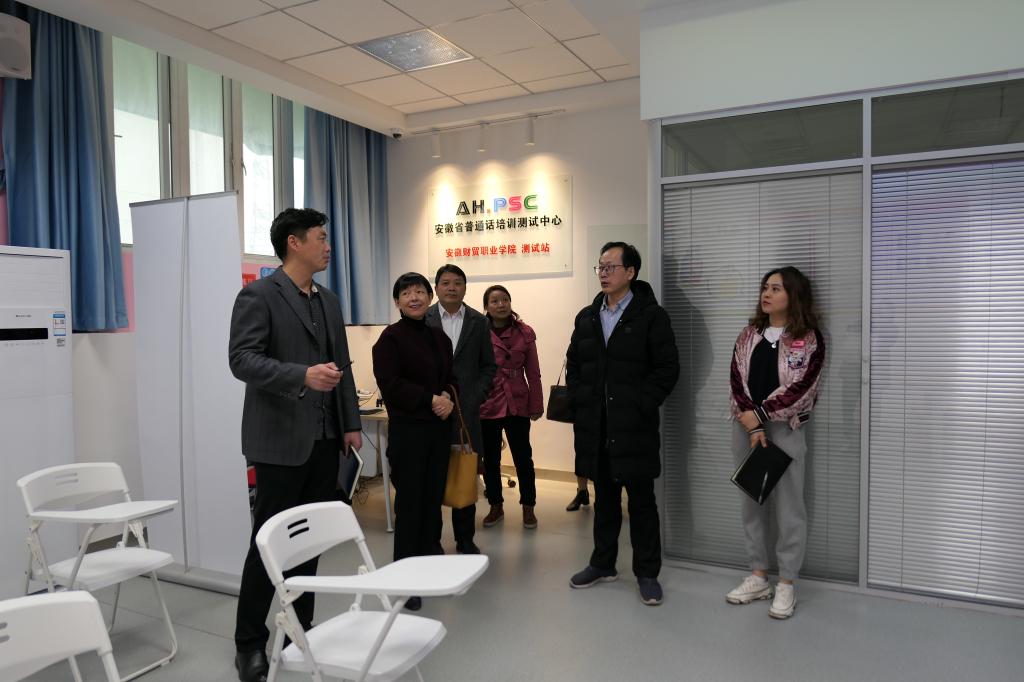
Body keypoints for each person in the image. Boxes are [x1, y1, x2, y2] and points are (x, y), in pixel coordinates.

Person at [228, 208, 362, 682]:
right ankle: (248, 642)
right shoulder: (259, 295)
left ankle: (300, 628)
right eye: (321, 238)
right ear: (294, 242)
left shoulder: (329, 300)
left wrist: (350, 423)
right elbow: (242, 360)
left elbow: (341, 363)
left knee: (310, 540)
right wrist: (300, 376)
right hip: (279, 441)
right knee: (267, 544)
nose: (328, 246)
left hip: (326, 440)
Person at [566, 242, 680, 606]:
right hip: (596, 426)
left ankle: (647, 573)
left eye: (610, 267)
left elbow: (667, 369)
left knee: (642, 503)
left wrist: (641, 404)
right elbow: (574, 364)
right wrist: (582, 399)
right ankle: (603, 564)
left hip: (635, 427)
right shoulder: (587, 316)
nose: (603, 273)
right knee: (605, 501)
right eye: (600, 267)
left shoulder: (651, 316)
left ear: (630, 272)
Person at [726, 266, 824, 620]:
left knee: (789, 509)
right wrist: (751, 424)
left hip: (784, 430)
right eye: (765, 287)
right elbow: (736, 379)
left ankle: (786, 583)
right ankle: (758, 576)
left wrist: (761, 415)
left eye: (776, 288)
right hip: (746, 430)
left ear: (793, 295)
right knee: (751, 504)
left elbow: (802, 387)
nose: (766, 294)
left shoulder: (808, 338)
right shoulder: (749, 334)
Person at [372, 272, 457, 612]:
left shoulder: (439, 337)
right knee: (410, 506)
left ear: (429, 297)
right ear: (397, 302)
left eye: (420, 291)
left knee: (432, 502)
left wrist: (448, 396)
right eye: (406, 293)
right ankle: (406, 582)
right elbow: (390, 384)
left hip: (438, 431)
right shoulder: (389, 339)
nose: (414, 298)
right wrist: (429, 399)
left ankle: (429, 567)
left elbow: (451, 377)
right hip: (409, 433)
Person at [425, 264, 497, 555]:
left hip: (467, 413)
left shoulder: (479, 322)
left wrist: (476, 396)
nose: (451, 288)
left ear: (465, 288)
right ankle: (432, 540)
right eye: (445, 283)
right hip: (430, 412)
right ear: (436, 288)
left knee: (465, 477)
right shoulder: (424, 317)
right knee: (432, 479)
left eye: (457, 283)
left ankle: (465, 539)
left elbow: (488, 366)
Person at [478, 285, 543, 529]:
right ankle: (495, 505)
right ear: (486, 306)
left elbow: (533, 373)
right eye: (494, 301)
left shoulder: (525, 332)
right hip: (488, 400)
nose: (501, 304)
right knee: (490, 459)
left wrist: (536, 404)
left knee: (523, 457)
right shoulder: (478, 332)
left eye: (505, 299)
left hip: (517, 401)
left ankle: (528, 506)